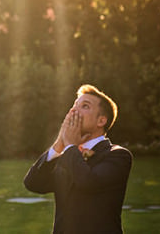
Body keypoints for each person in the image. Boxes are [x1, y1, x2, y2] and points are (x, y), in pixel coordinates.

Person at [23, 84, 133, 234]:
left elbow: (88, 182)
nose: (74, 110)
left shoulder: (118, 156)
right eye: (74, 105)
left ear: (101, 121)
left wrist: (69, 146)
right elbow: (33, 183)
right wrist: (59, 145)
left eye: (85, 106)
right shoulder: (66, 155)